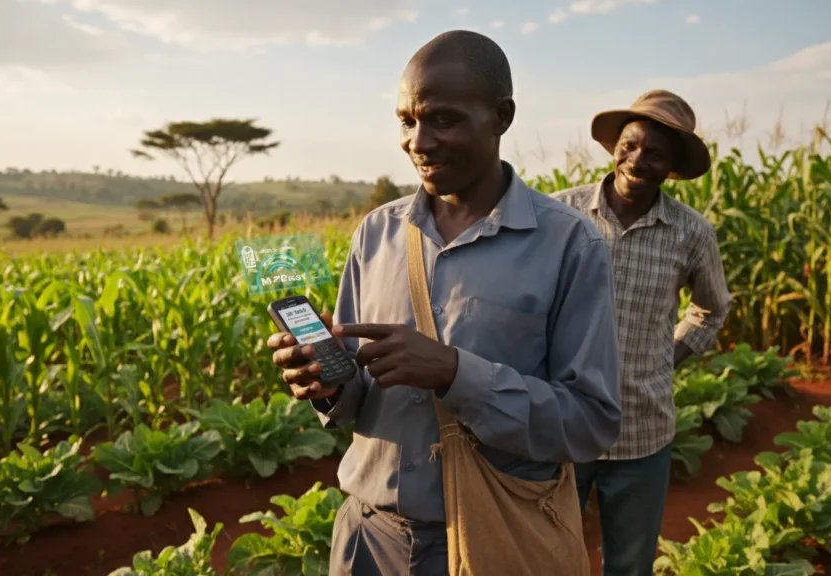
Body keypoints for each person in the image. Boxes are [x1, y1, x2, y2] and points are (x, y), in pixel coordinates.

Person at [266, 30, 622, 575]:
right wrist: (329, 384)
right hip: (368, 538)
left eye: (444, 120)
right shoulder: (376, 234)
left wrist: (455, 373)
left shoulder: (569, 243)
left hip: (494, 536)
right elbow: (360, 398)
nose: (418, 141)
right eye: (407, 121)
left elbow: (590, 423)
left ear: (502, 117)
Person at [550, 89, 733, 576]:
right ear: (614, 147)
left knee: (629, 565)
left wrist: (666, 355)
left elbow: (712, 310)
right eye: (629, 146)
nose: (636, 160)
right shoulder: (559, 217)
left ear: (671, 167)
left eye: (654, 153)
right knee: (545, 555)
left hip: (642, 431)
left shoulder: (692, 233)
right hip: (562, 425)